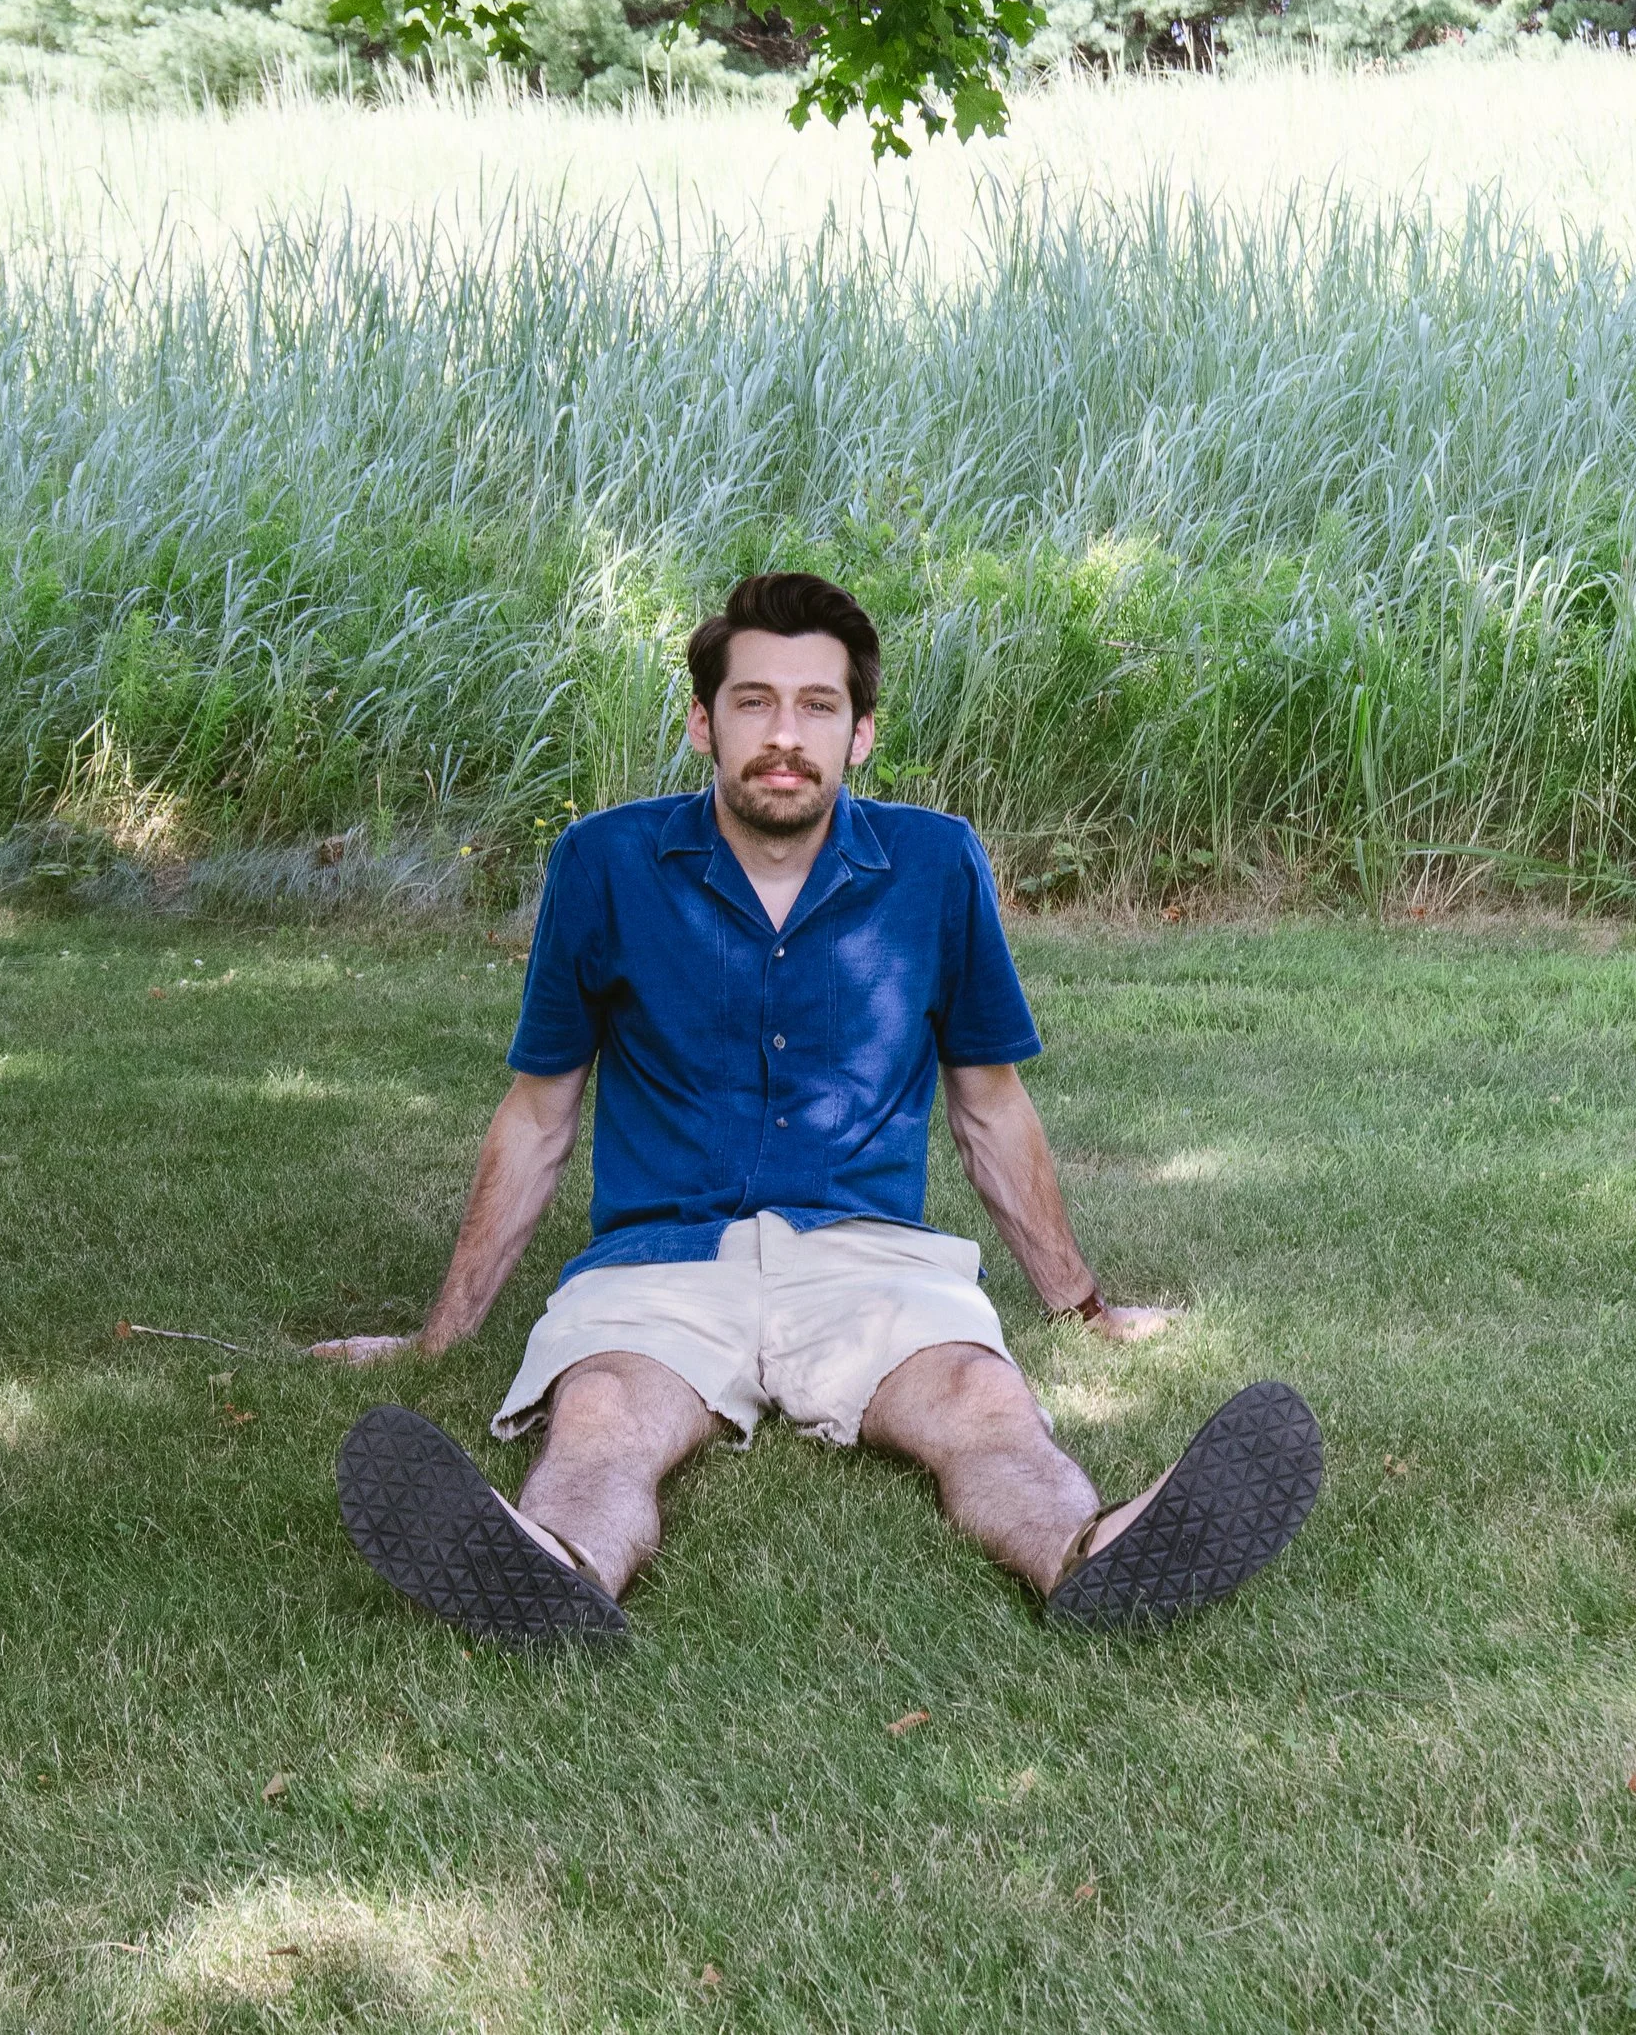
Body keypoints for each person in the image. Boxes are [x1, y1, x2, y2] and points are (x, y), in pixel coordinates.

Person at [321, 572, 1322, 1643]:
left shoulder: (935, 864)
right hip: (661, 1269)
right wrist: (441, 1333)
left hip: (869, 1262)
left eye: (816, 705)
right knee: (601, 1418)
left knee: (987, 1406)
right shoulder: (604, 863)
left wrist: (1084, 1307)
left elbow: (989, 1108)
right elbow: (536, 1118)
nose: (783, 734)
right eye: (753, 702)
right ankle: (555, 1567)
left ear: (861, 733)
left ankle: (1091, 1551)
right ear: (702, 722)